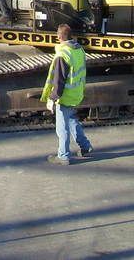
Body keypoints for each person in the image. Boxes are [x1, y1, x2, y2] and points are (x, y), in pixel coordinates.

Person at [40, 23, 92, 165]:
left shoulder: (62, 55)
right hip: (76, 93)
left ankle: (63, 156)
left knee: (62, 127)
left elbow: (59, 80)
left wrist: (52, 98)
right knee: (72, 120)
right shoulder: (79, 50)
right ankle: (85, 147)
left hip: (65, 96)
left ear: (58, 37)